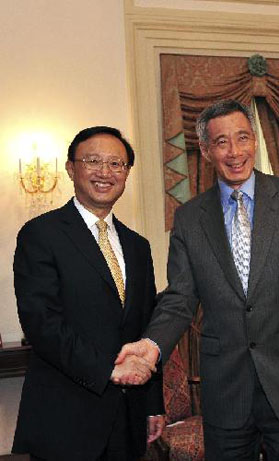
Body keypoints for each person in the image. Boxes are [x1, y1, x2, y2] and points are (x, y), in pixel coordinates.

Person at [116, 100, 279, 460]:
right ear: (206, 151)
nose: (235, 152)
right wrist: (151, 345)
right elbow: (179, 299)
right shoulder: (189, 219)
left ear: (254, 141)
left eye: (242, 138)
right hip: (225, 390)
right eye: (222, 142)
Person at [12, 126, 164, 461]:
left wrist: (153, 405)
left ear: (126, 174)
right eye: (93, 161)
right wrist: (107, 370)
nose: (105, 173)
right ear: (71, 168)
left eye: (116, 164)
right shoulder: (41, 234)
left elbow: (147, 327)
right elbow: (42, 324)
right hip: (64, 419)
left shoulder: (138, 246)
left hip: (128, 419)